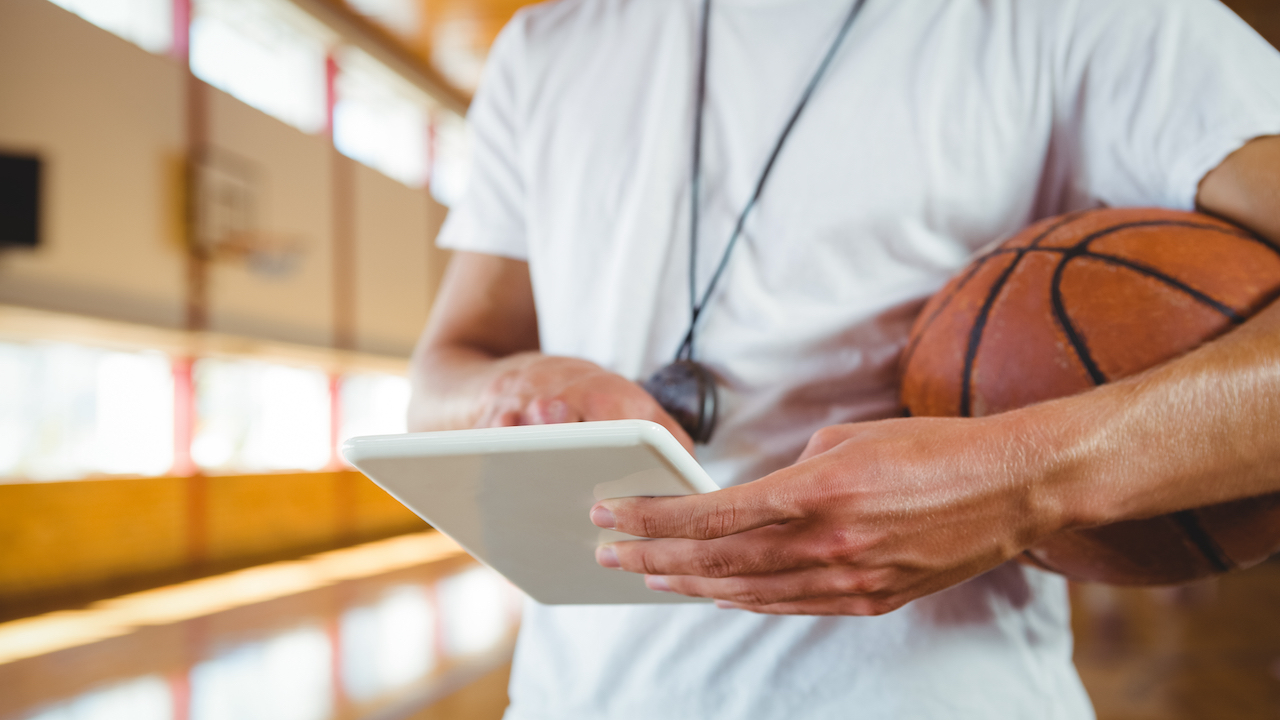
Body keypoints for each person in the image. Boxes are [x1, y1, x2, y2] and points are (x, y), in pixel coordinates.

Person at [408, 0, 1280, 716]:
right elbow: (443, 375)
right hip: (575, 697)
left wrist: (1031, 477)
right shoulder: (545, 45)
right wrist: (514, 389)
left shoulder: (1085, 18)